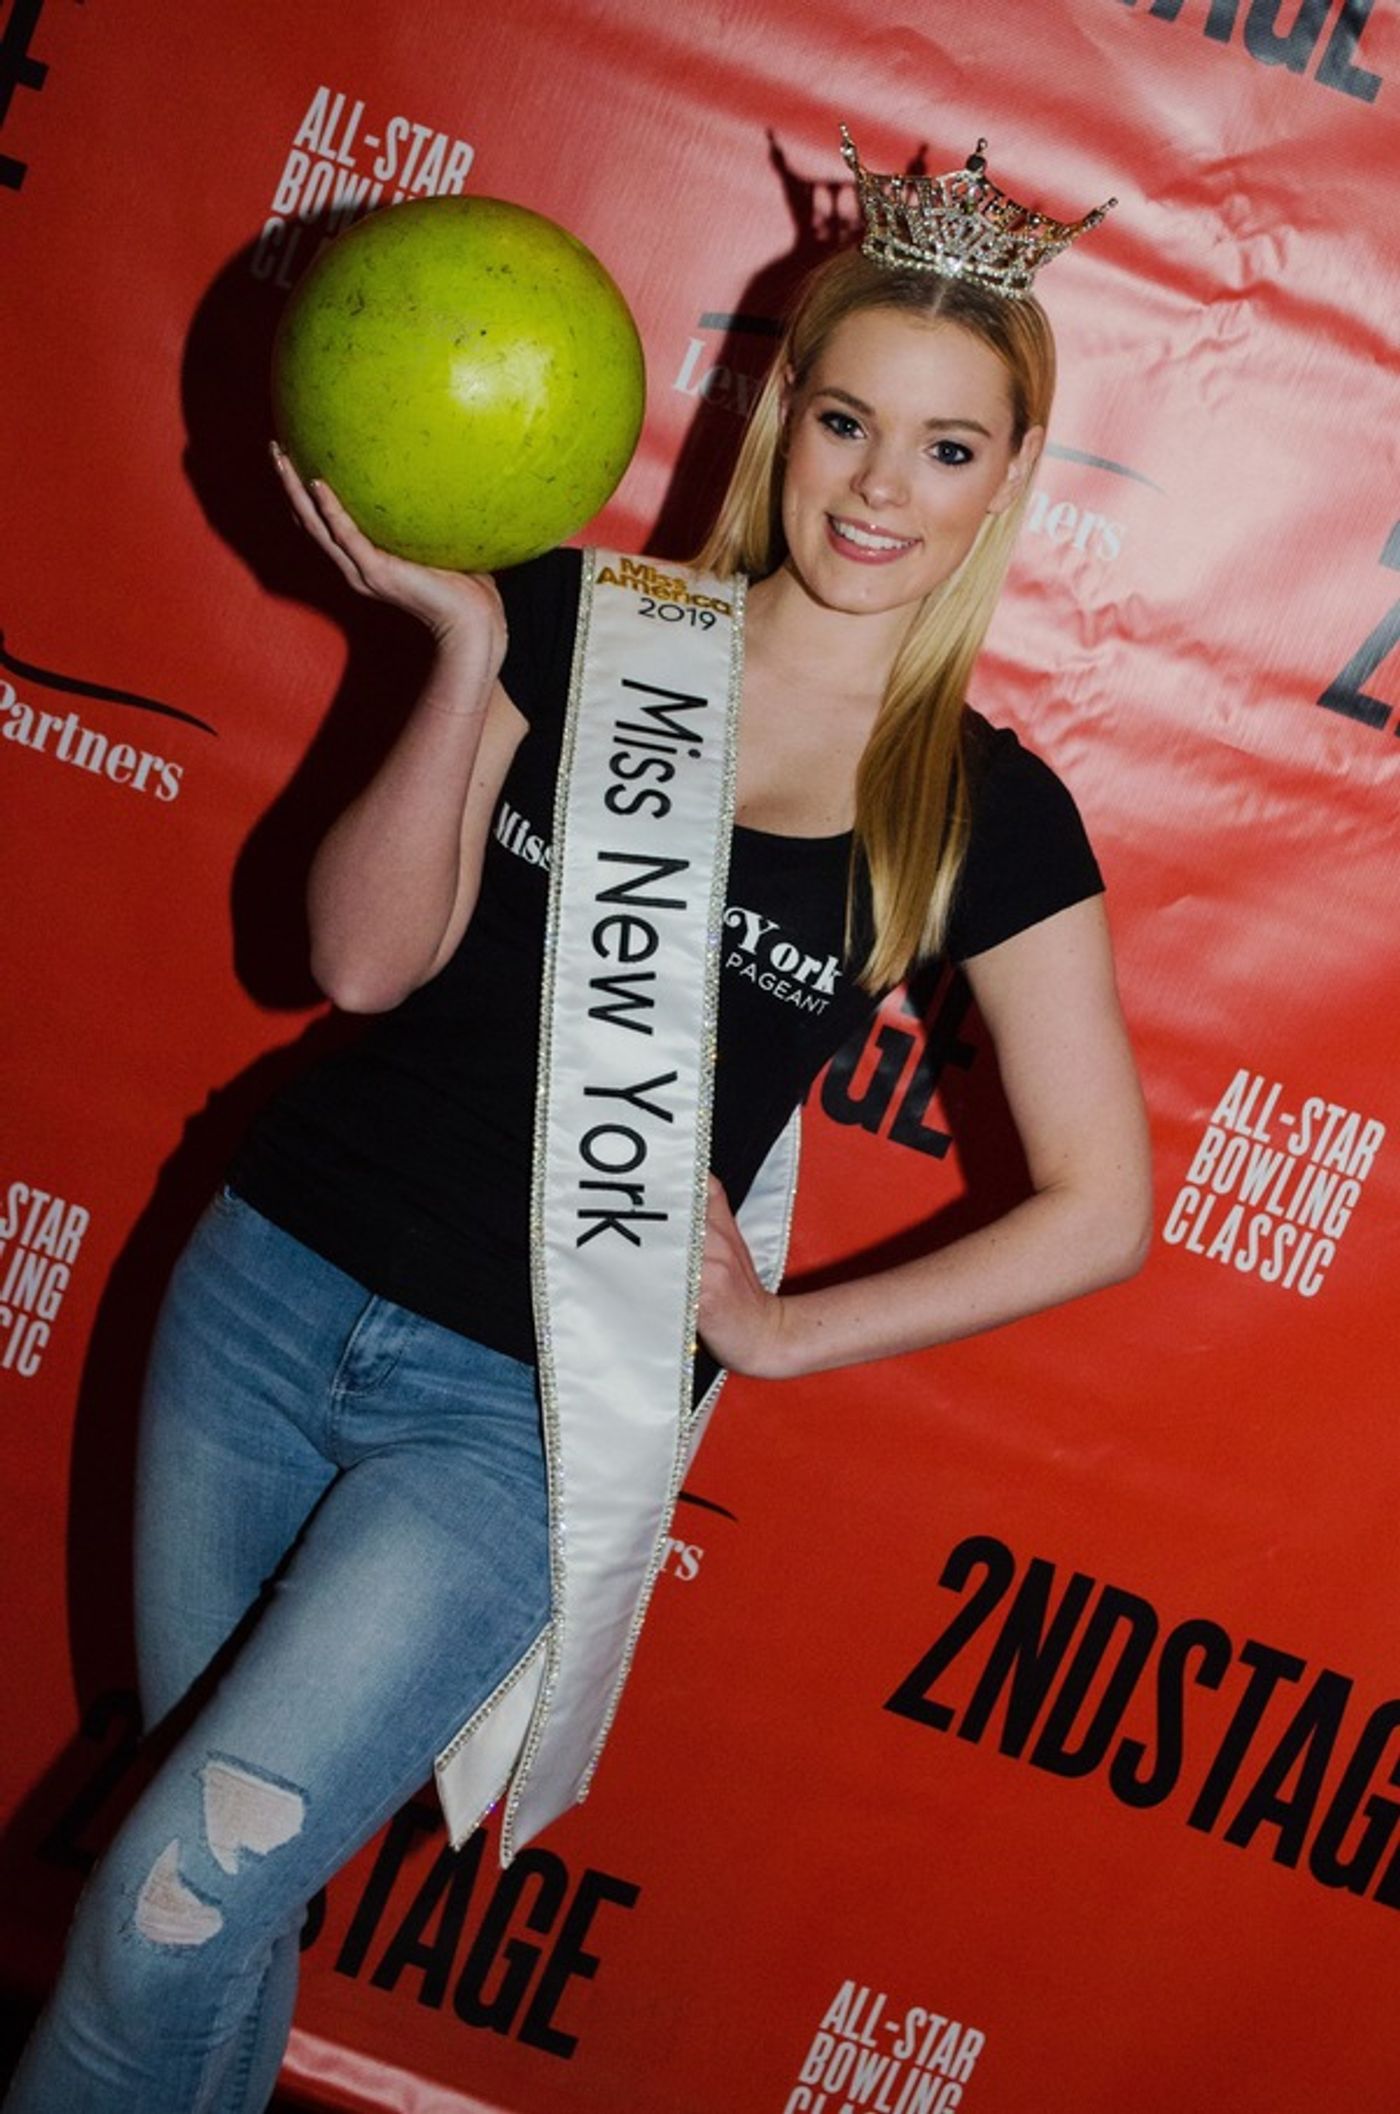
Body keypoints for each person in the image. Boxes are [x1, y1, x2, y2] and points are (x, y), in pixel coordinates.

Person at [6, 133, 1150, 2113]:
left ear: (1005, 480)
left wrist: (782, 1329)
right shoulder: (583, 624)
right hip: (266, 1293)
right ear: (778, 418)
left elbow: (1101, 1204)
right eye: (848, 419)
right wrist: (461, 652)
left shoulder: (975, 809)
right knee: (220, 1905)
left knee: (165, 1904)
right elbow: (352, 967)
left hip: (518, 1421)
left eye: (949, 448)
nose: (882, 485)